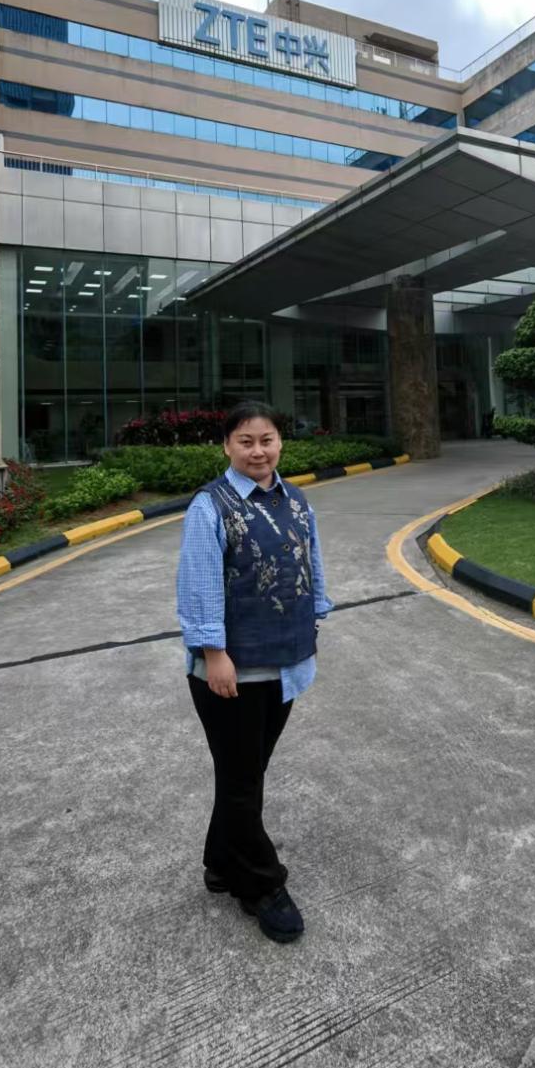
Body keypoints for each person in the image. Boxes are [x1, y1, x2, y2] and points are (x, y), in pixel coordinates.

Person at [176, 401, 333, 943]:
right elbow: (198, 584)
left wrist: (316, 615)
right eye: (245, 441)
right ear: (227, 446)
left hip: (285, 663)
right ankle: (262, 885)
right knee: (243, 782)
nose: (258, 451)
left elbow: (311, 561)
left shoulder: (296, 499)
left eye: (267, 440)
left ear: (280, 443)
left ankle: (221, 862)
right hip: (232, 671)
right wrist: (213, 653)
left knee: (244, 774)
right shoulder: (210, 506)